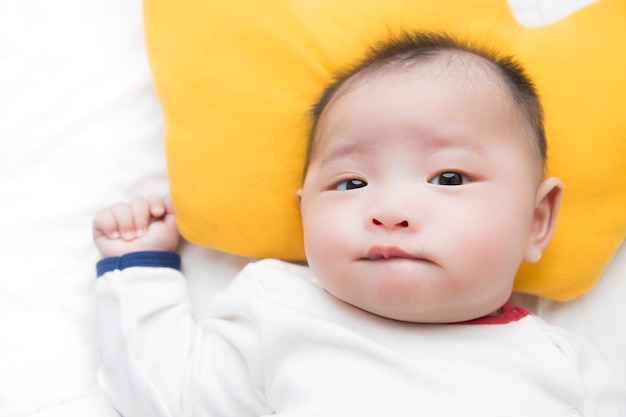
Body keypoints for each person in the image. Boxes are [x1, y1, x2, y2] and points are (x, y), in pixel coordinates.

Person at [93, 32, 625, 416]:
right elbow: (168, 395)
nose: (390, 210)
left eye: (449, 177)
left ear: (536, 220)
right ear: (304, 213)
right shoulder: (279, 305)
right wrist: (137, 268)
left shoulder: (565, 366)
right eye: (350, 185)